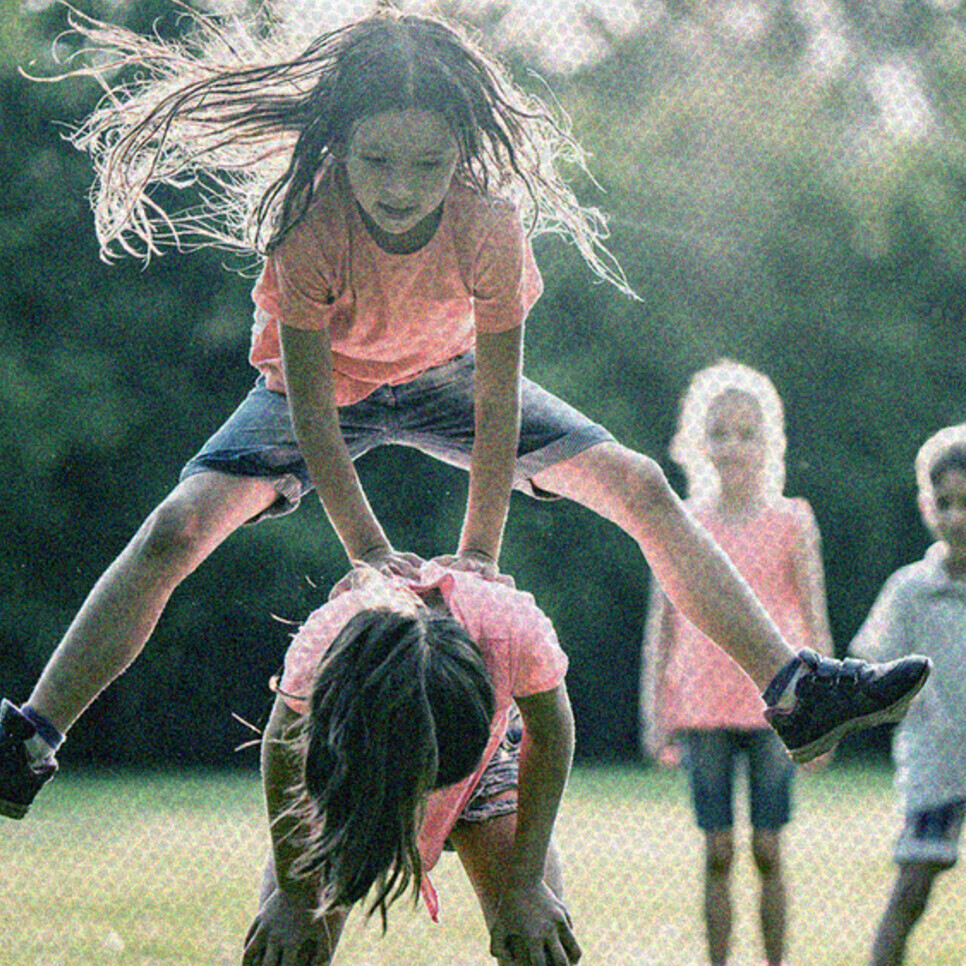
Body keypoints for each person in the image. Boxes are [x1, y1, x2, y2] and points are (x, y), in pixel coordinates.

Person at [0, 7, 929, 820]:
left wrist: (480, 544)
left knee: (643, 485)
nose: (400, 186)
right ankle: (30, 736)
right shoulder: (310, 225)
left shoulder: (488, 223)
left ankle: (797, 687)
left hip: (447, 381)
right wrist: (366, 550)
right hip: (312, 394)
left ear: (462, 154)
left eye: (427, 164)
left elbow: (494, 397)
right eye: (376, 161)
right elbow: (317, 412)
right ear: (337, 145)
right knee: (174, 528)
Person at [240, 560, 579, 966]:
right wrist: (295, 893)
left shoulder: (510, 627)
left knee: (536, 937)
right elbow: (282, 740)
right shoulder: (326, 643)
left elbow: (551, 733)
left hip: (482, 765)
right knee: (290, 942)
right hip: (359, 768)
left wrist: (525, 883)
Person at [642, 360, 834, 966]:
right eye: (719, 432)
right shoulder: (680, 521)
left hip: (780, 706)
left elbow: (815, 617)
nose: (733, 445)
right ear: (698, 440)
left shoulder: (793, 520)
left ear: (767, 440)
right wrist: (654, 710)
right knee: (718, 849)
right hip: (700, 706)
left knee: (769, 849)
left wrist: (826, 712)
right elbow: (661, 625)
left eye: (746, 433)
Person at [850, 425, 966, 966]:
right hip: (935, 762)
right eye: (945, 503)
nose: (957, 517)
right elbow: (869, 660)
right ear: (926, 505)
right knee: (912, 889)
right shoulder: (911, 589)